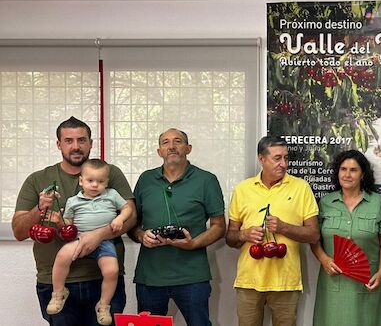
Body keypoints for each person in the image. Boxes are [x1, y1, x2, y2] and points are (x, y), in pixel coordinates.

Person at [12, 116, 135, 326]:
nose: (76, 146)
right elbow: (19, 232)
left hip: (102, 278)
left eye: (82, 140)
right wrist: (40, 208)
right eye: (68, 141)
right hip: (54, 280)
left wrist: (99, 235)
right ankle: (59, 293)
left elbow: (131, 216)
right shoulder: (37, 179)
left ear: (91, 143)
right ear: (58, 144)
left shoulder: (108, 172)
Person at [129, 128, 226, 326]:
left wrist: (193, 244)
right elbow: (131, 223)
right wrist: (141, 235)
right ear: (159, 151)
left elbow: (219, 226)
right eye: (165, 142)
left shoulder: (206, 180)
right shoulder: (146, 179)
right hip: (150, 276)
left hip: (192, 275)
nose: (172, 146)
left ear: (188, 148)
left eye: (177, 141)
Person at [226, 136, 319, 326]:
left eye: (286, 158)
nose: (283, 164)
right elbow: (230, 237)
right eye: (277, 158)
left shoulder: (301, 188)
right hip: (249, 281)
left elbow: (314, 235)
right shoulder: (243, 189)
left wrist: (284, 227)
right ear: (261, 159)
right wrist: (244, 234)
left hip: (286, 282)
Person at [311, 150, 381, 326]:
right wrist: (324, 259)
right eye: (343, 169)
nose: (347, 175)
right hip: (333, 283)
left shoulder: (377, 203)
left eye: (353, 170)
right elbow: (314, 238)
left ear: (362, 174)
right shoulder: (326, 203)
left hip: (367, 282)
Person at [48, 159, 133, 325]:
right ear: (81, 181)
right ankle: (58, 293)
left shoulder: (112, 195)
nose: (95, 185)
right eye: (90, 180)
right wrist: (59, 222)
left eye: (100, 181)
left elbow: (127, 208)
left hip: (105, 241)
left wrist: (120, 219)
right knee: (62, 256)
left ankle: (103, 305)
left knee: (112, 270)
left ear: (106, 182)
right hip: (80, 238)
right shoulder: (73, 201)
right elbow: (68, 225)